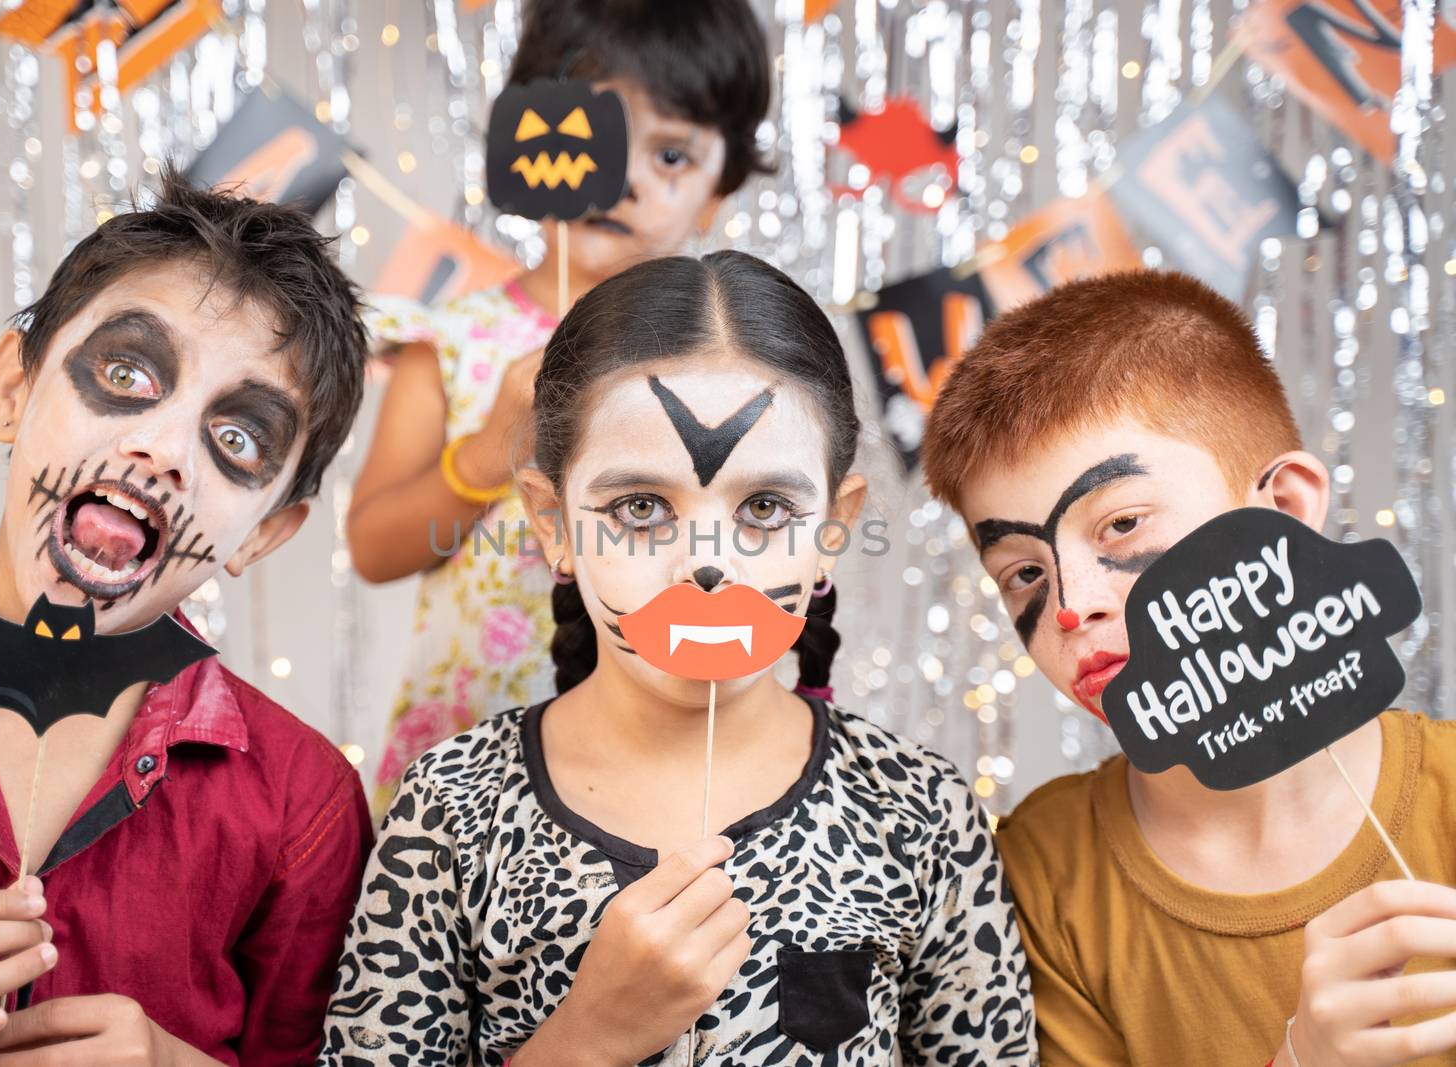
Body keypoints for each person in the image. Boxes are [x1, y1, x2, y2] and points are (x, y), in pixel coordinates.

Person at [323, 252, 1035, 1066]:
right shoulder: (451, 809)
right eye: (640, 507)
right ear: (553, 522)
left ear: (833, 530)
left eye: (764, 507)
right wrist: (588, 1038)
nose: (707, 563)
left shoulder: (918, 812)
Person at [0, 169, 374, 1066]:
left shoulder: (305, 802)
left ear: (269, 531)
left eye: (239, 437)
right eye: (128, 370)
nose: (163, 448)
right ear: (15, 386)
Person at [922, 269, 1456, 1067]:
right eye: (1025, 572)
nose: (1074, 605)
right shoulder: (1042, 873)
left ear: (1285, 510)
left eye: (1124, 523)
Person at [347, 0, 774, 814]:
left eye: (672, 153)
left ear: (719, 189)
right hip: (475, 749)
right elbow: (374, 547)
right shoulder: (455, 345)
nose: (624, 177)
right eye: (589, 137)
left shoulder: (734, 359)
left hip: (672, 751)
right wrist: (485, 452)